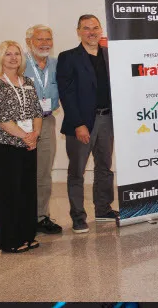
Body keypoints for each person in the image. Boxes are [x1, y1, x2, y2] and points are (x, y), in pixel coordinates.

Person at [56, 14, 118, 233]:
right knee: (77, 172)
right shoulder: (68, 57)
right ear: (78, 31)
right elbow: (67, 94)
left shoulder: (110, 55)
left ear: (101, 30)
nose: (91, 32)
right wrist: (78, 124)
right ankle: (78, 216)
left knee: (105, 167)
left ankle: (103, 209)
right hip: (81, 123)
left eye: (95, 27)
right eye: (86, 28)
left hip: (107, 119)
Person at [0, 40, 43, 253]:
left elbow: (37, 111)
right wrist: (26, 136)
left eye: (16, 53)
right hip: (3, 146)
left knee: (26, 192)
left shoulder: (27, 81)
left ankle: (27, 235)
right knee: (7, 195)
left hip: (27, 146)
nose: (13, 57)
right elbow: (0, 117)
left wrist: (34, 134)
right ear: (1, 58)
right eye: (8, 54)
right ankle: (10, 241)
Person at [25, 25, 63, 235]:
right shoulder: (19, 62)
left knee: (43, 173)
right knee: (21, 171)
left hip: (46, 122)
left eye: (48, 39)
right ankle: (22, 217)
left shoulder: (57, 64)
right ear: (29, 41)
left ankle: (41, 216)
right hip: (21, 124)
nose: (44, 43)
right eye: (39, 39)